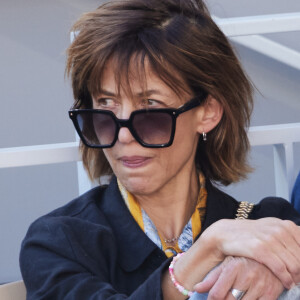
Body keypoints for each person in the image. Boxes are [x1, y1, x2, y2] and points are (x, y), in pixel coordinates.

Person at [20, 0, 300, 299]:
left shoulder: (270, 224)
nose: (123, 136)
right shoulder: (58, 242)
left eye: (150, 108)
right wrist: (207, 250)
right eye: (105, 109)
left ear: (208, 113)